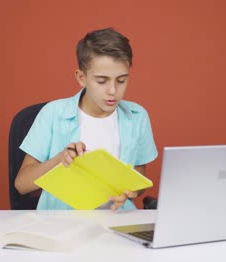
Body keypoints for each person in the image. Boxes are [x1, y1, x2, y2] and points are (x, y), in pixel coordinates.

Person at [15, 28, 158, 211]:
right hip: (62, 222)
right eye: (101, 81)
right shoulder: (52, 114)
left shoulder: (138, 117)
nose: (113, 91)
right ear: (81, 78)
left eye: (121, 80)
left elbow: (140, 176)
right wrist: (60, 160)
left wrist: (130, 190)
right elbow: (22, 184)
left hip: (117, 221)